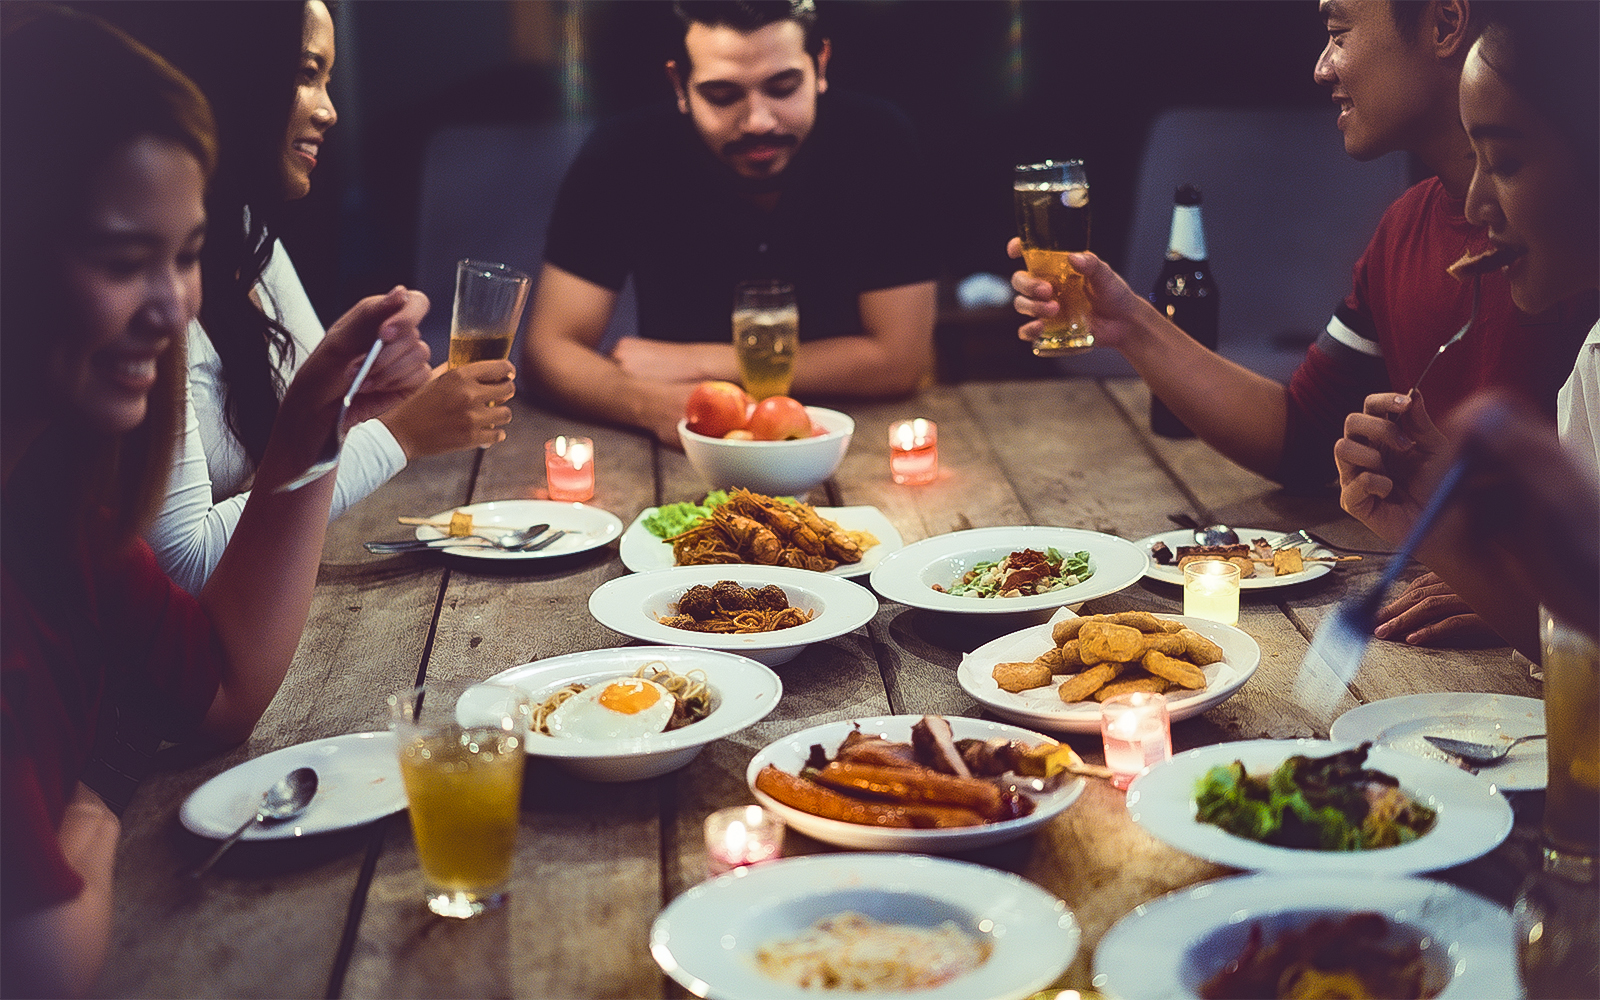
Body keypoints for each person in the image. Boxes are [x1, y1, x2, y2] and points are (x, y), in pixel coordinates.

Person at [0, 7, 429, 996]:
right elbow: (43, 956)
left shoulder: (62, 513)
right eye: (123, 261)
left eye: (186, 254)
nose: (174, 307)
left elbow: (224, 691)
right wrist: (93, 812)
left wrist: (315, 421)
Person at [1006, 0, 1594, 647]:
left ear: (1444, 24)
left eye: (1339, 33)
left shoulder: (1568, 252)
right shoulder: (1407, 228)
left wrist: (1535, 598)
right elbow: (1308, 434)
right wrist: (1127, 323)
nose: (1321, 68)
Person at [87, 0, 516, 594]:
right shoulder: (154, 295)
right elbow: (184, 565)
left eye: (329, 80)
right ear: (237, 74)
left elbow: (312, 433)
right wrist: (401, 434)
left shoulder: (248, 236)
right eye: (306, 74)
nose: (329, 110)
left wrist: (367, 397)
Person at [521, 0, 938, 445]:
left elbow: (900, 360)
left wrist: (701, 363)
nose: (758, 121)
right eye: (722, 96)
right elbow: (549, 351)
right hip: (688, 447)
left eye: (783, 88)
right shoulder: (625, 152)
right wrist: (650, 404)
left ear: (820, 66)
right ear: (680, 86)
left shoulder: (877, 140)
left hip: (859, 437)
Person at [1333, 0, 1600, 655]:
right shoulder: (1592, 368)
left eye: (1503, 163)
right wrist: (1438, 528)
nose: (1478, 205)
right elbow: (1579, 656)